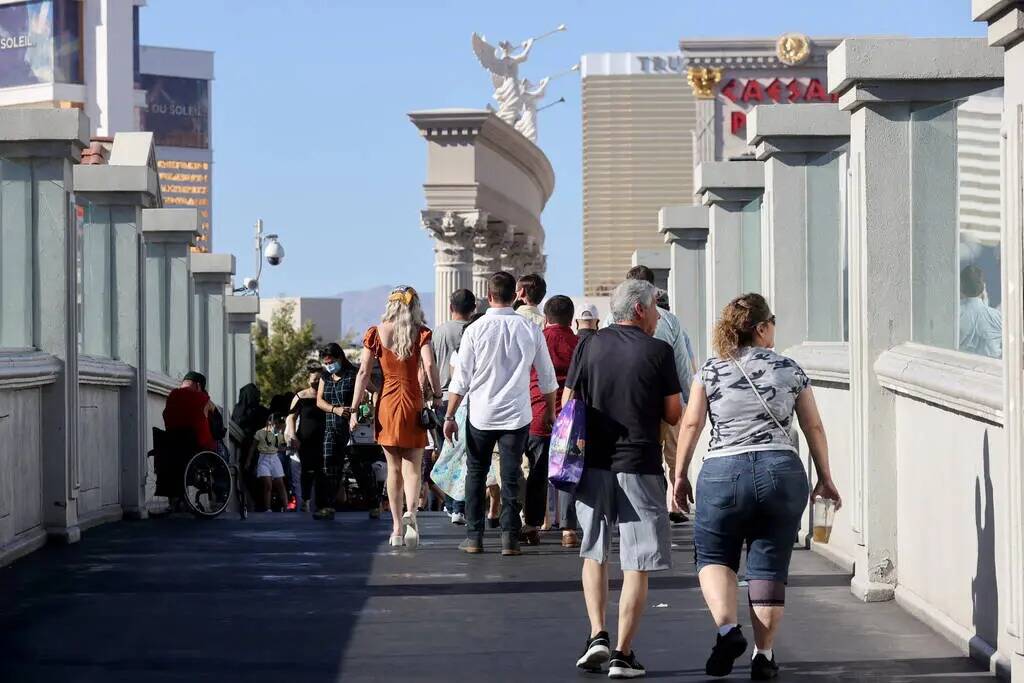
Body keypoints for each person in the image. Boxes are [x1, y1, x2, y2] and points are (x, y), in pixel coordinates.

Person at [673, 293, 842, 680]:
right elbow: (813, 426)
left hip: (722, 471)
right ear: (762, 327)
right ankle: (763, 656)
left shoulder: (711, 371)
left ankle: (728, 630)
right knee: (769, 563)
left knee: (714, 555)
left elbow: (691, 425)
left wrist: (680, 474)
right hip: (780, 471)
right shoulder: (790, 369)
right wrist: (825, 478)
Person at [566, 279, 682, 679]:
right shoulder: (659, 352)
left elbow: (569, 403)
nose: (655, 316)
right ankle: (622, 653)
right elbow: (672, 413)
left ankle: (597, 634)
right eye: (653, 308)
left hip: (592, 465)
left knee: (594, 551)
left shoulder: (589, 345)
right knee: (637, 560)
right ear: (639, 310)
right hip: (640, 465)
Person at [445, 271, 558, 556]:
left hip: (481, 415)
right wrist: (549, 412)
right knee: (510, 477)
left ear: (489, 296)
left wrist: (449, 415)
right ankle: (510, 538)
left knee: (476, 473)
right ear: (515, 295)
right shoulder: (530, 329)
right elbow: (547, 376)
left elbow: (461, 380)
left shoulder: (475, 329)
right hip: (516, 416)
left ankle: (474, 537)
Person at [350, 286, 442, 549]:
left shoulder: (376, 333)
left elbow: (363, 373)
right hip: (413, 400)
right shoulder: (421, 332)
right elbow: (429, 365)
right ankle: (411, 512)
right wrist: (436, 395)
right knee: (413, 467)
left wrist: (354, 409)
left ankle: (396, 529)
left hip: (387, 402)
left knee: (393, 469)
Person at [602, 265, 695, 525]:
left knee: (640, 455)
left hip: (631, 401)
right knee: (673, 453)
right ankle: (676, 503)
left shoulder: (612, 320)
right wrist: (689, 402)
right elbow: (683, 365)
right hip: (669, 398)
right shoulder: (669, 319)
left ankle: (634, 507)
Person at [522, 295, 579, 547]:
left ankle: (532, 525)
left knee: (536, 471)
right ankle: (568, 529)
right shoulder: (579, 343)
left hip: (537, 412)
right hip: (570, 416)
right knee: (567, 470)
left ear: (546, 317)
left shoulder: (538, 339)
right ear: (571, 319)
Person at [432, 288, 476, 524]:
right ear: (473, 309)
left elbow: (428, 366)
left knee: (445, 453)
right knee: (464, 455)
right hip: (465, 401)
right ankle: (458, 505)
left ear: (451, 307)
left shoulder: (438, 332)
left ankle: (450, 504)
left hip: (442, 400)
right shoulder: (473, 331)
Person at [315, 343, 358, 521]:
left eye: (331, 362)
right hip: (331, 427)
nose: (329, 365)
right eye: (326, 363)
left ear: (340, 358)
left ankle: (374, 504)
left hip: (352, 428)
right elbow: (319, 401)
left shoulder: (354, 375)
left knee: (359, 466)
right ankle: (328, 506)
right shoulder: (325, 376)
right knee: (328, 466)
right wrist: (335, 409)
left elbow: (372, 391)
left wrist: (359, 411)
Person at [287, 362, 326, 513]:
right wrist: (292, 435)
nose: (316, 382)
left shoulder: (328, 396)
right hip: (306, 441)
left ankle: (323, 504)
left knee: (323, 472)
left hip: (324, 440)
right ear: (308, 379)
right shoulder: (301, 396)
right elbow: (291, 417)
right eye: (314, 379)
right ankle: (306, 500)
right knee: (307, 471)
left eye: (320, 379)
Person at [959, 264, 1002, 359]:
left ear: (960, 287)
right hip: (991, 370)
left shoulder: (954, 316)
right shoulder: (999, 318)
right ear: (983, 287)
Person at [251, 412, 289, 512]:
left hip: (275, 459)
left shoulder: (279, 434)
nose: (276, 425)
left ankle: (286, 508)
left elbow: (280, 447)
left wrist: (284, 430)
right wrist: (249, 462)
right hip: (264, 459)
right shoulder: (260, 433)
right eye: (274, 423)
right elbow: (253, 447)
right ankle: (268, 509)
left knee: (280, 484)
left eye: (278, 423)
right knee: (268, 484)